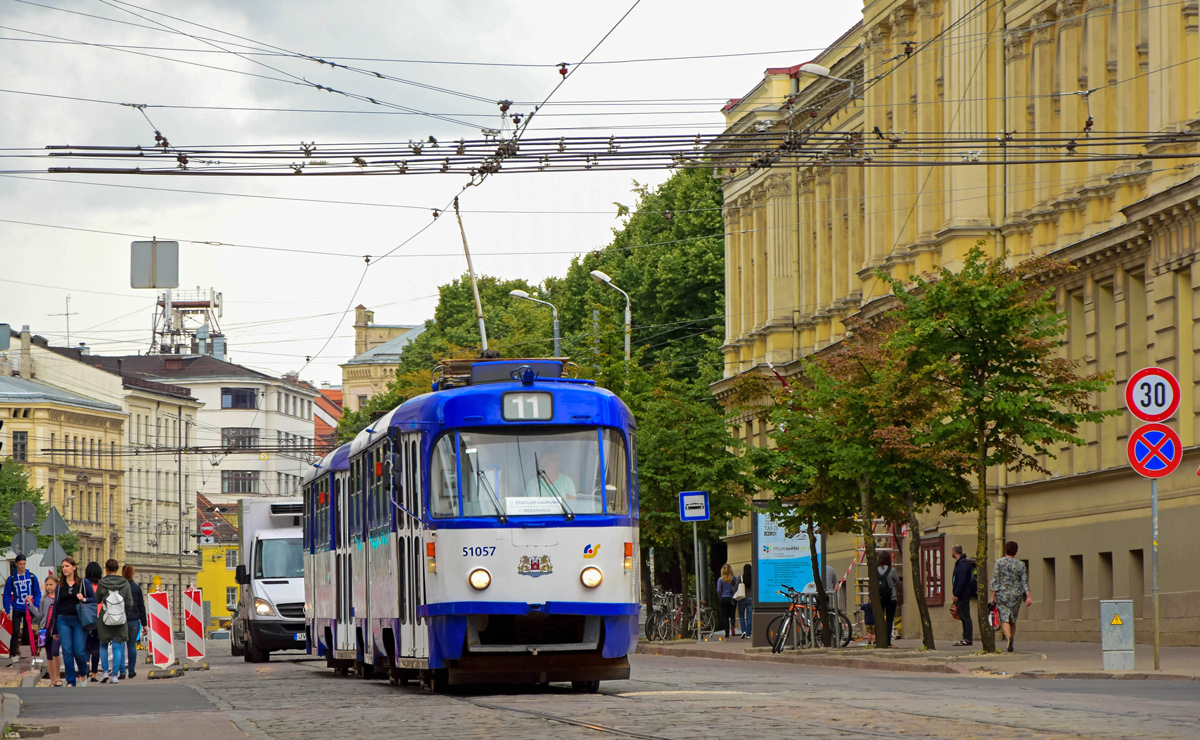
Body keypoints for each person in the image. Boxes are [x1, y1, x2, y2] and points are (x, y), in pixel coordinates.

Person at [51, 557, 94, 687]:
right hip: (63, 620)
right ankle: (71, 681)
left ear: (74, 567)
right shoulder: (59, 587)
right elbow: (56, 607)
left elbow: (94, 599)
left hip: (79, 621)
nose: (64, 569)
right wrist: (54, 629)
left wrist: (84, 599)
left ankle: (83, 672)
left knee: (79, 651)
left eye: (67, 566)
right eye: (63, 566)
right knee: (67, 651)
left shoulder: (83, 583)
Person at [989, 540, 1032, 653]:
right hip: (1016, 595)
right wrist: (1028, 596)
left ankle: (1009, 638)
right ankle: (1011, 638)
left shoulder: (999, 563)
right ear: (1016, 551)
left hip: (1002, 594)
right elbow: (1024, 581)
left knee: (1004, 618)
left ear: (1005, 550)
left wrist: (992, 596)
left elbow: (995, 580)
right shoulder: (1021, 564)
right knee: (1013, 618)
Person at [95, 559, 132, 684]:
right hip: (120, 619)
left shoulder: (102, 583)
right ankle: (115, 675)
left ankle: (105, 671)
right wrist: (125, 613)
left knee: (103, 645)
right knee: (117, 646)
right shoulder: (125, 583)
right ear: (117, 569)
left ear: (106, 569)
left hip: (105, 618)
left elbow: (97, 600)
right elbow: (130, 603)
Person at [3, 553, 41, 669]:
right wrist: (7, 609)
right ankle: (13, 656)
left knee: (27, 632)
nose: (22, 566)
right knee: (15, 631)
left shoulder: (32, 576)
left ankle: (25, 656)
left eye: (24, 564)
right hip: (17, 607)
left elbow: (37, 593)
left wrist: (36, 606)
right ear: (16, 564)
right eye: (20, 564)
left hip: (28, 608)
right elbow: (7, 595)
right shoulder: (12, 579)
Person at [32, 574, 62, 686]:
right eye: (47, 585)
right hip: (45, 630)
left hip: (56, 629)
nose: (49, 587)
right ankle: (52, 680)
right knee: (49, 654)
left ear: (57, 585)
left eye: (51, 584)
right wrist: (31, 606)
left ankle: (58, 678)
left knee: (55, 651)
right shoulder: (44, 600)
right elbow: (40, 616)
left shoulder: (60, 598)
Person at [121, 564, 146, 679]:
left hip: (121, 620)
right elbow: (142, 607)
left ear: (122, 573)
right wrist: (144, 624)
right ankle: (131, 671)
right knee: (131, 645)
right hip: (134, 620)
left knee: (120, 645)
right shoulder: (136, 588)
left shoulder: (119, 587)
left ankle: (122, 671)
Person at [950, 544, 975, 647]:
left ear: (955, 551)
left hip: (963, 595)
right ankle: (965, 638)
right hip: (961, 594)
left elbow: (962, 580)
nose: (951, 552)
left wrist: (956, 593)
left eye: (952, 551)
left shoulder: (963, 564)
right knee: (963, 617)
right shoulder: (960, 563)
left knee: (965, 617)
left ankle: (967, 638)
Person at [84, 561, 102, 681]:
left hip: (86, 618)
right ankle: (94, 674)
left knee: (86, 646)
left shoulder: (83, 585)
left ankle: (85, 670)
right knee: (96, 646)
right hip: (99, 619)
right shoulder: (102, 585)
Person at [877, 551, 899, 647]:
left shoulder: (875, 570)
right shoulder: (892, 570)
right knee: (889, 620)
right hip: (891, 597)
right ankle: (888, 642)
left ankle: (879, 640)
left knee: (879, 619)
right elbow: (897, 581)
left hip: (879, 598)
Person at [715, 564, 739, 638]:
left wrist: (720, 597)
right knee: (732, 615)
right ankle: (733, 627)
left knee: (725, 616)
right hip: (732, 598)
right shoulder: (734, 578)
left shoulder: (720, 579)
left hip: (724, 598)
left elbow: (718, 590)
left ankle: (727, 633)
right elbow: (737, 588)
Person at [737, 563, 753, 640]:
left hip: (742, 598)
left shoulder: (740, 577)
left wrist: (733, 598)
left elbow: (736, 588)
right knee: (749, 617)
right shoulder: (753, 578)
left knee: (741, 616)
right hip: (751, 598)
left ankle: (743, 631)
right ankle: (749, 634)